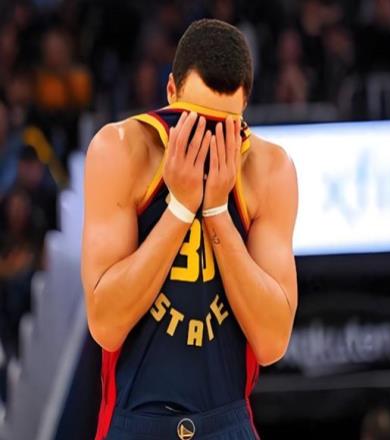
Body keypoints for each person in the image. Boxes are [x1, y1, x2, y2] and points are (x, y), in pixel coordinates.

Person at [81, 19, 298, 440]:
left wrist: (216, 210)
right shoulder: (120, 149)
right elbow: (105, 324)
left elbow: (272, 342)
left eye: (222, 127)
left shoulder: (270, 169)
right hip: (136, 421)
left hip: (226, 419)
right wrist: (179, 208)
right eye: (192, 121)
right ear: (170, 92)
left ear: (244, 111)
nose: (206, 139)